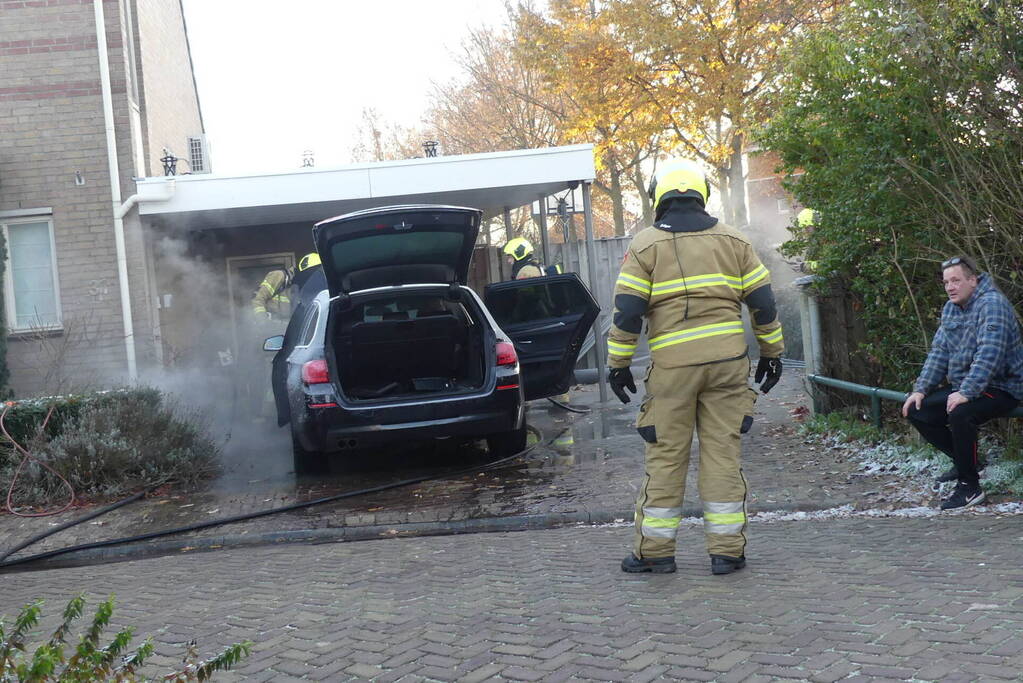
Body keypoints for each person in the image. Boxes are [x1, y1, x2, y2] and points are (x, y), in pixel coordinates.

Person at [607, 158, 784, 576]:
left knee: (666, 456)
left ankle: (655, 554)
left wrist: (619, 365)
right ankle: (726, 552)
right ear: (701, 196)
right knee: (723, 454)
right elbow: (764, 303)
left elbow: (628, 312)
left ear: (660, 199)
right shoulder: (734, 241)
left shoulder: (646, 245)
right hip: (727, 365)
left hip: (672, 370)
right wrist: (772, 354)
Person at [901, 255, 1023, 510]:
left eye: (956, 280)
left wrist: (966, 392)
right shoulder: (950, 309)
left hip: (1003, 386)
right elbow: (939, 352)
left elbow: (990, 354)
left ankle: (970, 487)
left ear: (973, 280)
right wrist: (921, 389)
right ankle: (966, 461)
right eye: (946, 282)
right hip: (968, 386)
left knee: (961, 414)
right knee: (916, 410)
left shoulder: (993, 305)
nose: (950, 287)